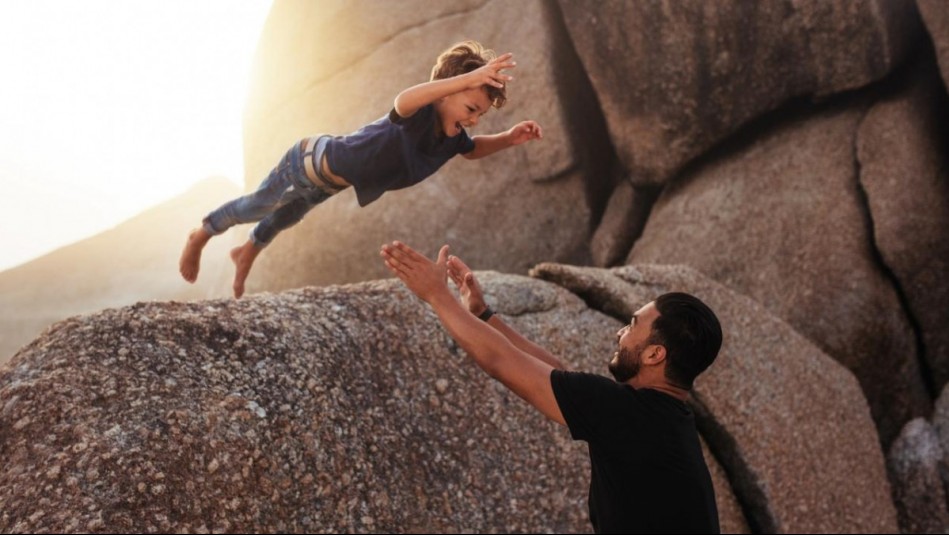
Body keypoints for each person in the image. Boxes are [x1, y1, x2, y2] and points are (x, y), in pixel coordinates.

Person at [379, 241, 723, 534]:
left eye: (632, 325)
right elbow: (559, 375)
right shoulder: (662, 418)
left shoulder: (631, 415)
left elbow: (501, 362)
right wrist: (483, 315)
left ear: (654, 354)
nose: (620, 333)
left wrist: (438, 296)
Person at [179, 41, 543, 298]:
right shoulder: (419, 114)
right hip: (306, 161)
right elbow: (404, 100)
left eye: (480, 114)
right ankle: (203, 231)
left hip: (325, 183)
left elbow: (473, 150)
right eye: (471, 107)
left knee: (285, 217)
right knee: (259, 206)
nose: (475, 119)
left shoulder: (451, 138)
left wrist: (509, 138)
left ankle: (246, 252)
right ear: (445, 94)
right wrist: (465, 79)